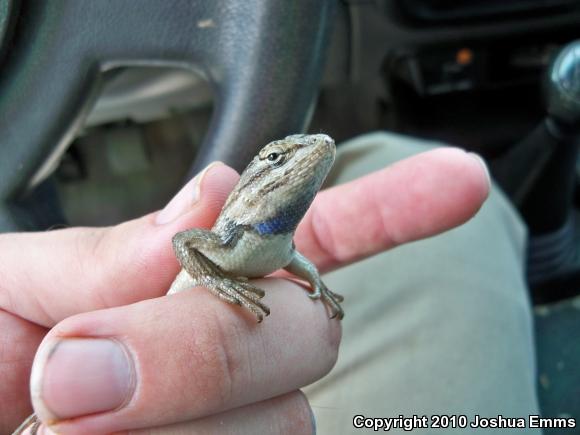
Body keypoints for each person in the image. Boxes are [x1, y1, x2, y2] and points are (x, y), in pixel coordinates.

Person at [1, 132, 539, 434]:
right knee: (406, 169)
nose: (308, 153)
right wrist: (221, 284)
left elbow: (298, 263)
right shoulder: (224, 234)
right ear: (254, 182)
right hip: (181, 308)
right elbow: (183, 245)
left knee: (417, 175)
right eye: (281, 157)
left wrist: (320, 290)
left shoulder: (279, 246)